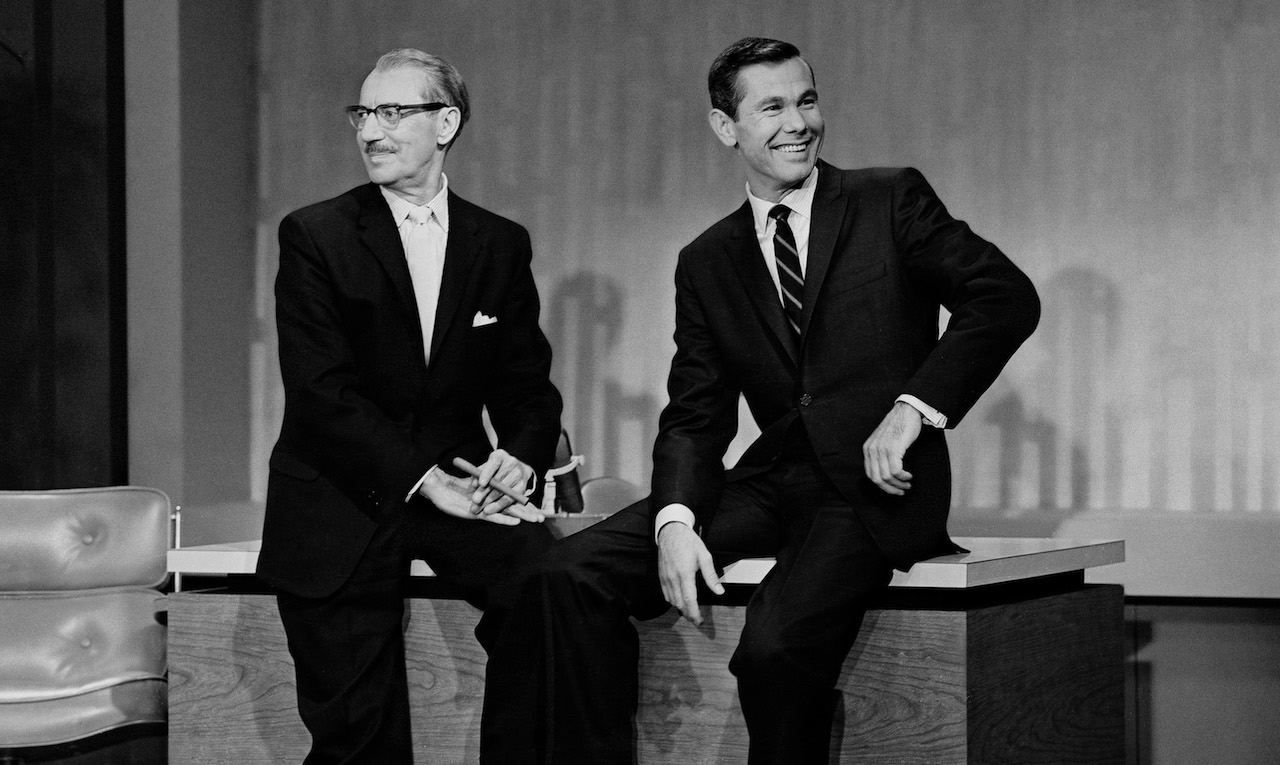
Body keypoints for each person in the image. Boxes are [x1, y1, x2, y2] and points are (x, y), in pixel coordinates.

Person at [482, 37, 1040, 764]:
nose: (797, 123)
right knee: (563, 576)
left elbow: (1004, 296)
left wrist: (913, 408)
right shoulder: (707, 259)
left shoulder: (888, 198)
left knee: (772, 650)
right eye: (772, 107)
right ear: (726, 127)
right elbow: (696, 413)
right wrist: (675, 520)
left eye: (806, 101)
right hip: (770, 479)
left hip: (870, 492)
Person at [255, 48, 563, 764]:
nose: (371, 131)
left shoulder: (499, 242)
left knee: (555, 592)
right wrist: (426, 480)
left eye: (393, 112)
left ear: (445, 123)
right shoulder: (315, 235)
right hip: (340, 494)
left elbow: (526, 385)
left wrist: (519, 456)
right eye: (363, 113)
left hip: (460, 486)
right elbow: (321, 394)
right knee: (360, 740)